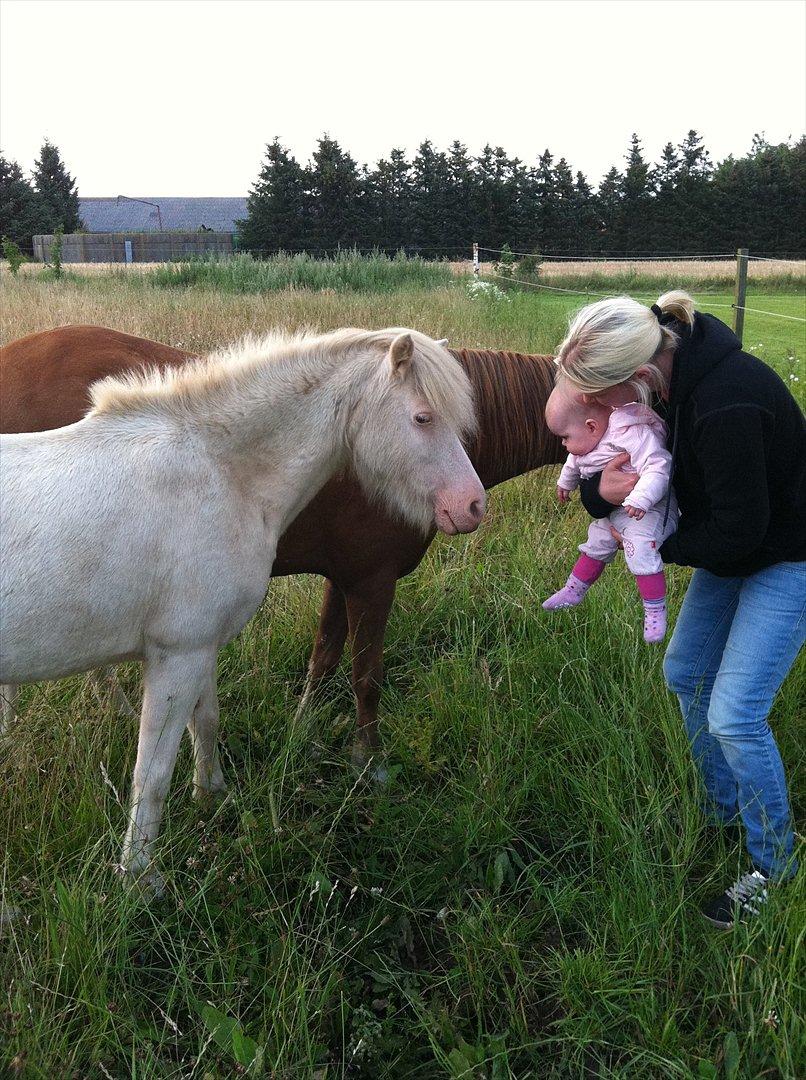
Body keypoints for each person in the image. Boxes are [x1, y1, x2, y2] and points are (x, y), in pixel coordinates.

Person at [552, 290, 805, 929]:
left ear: (636, 378)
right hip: (735, 549)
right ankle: (725, 810)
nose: (597, 411)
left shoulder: (726, 402)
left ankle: (775, 865)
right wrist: (593, 495)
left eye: (600, 397)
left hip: (787, 554)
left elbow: (741, 532)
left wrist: (644, 540)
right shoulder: (661, 386)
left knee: (735, 713)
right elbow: (614, 466)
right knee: (684, 674)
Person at [542, 385, 678, 642]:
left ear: (591, 426)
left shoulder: (632, 433)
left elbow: (660, 466)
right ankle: (574, 589)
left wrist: (641, 498)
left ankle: (655, 609)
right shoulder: (589, 439)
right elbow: (575, 462)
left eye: (565, 437)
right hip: (620, 509)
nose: (563, 444)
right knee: (597, 540)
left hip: (650, 508)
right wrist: (565, 482)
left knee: (640, 549)